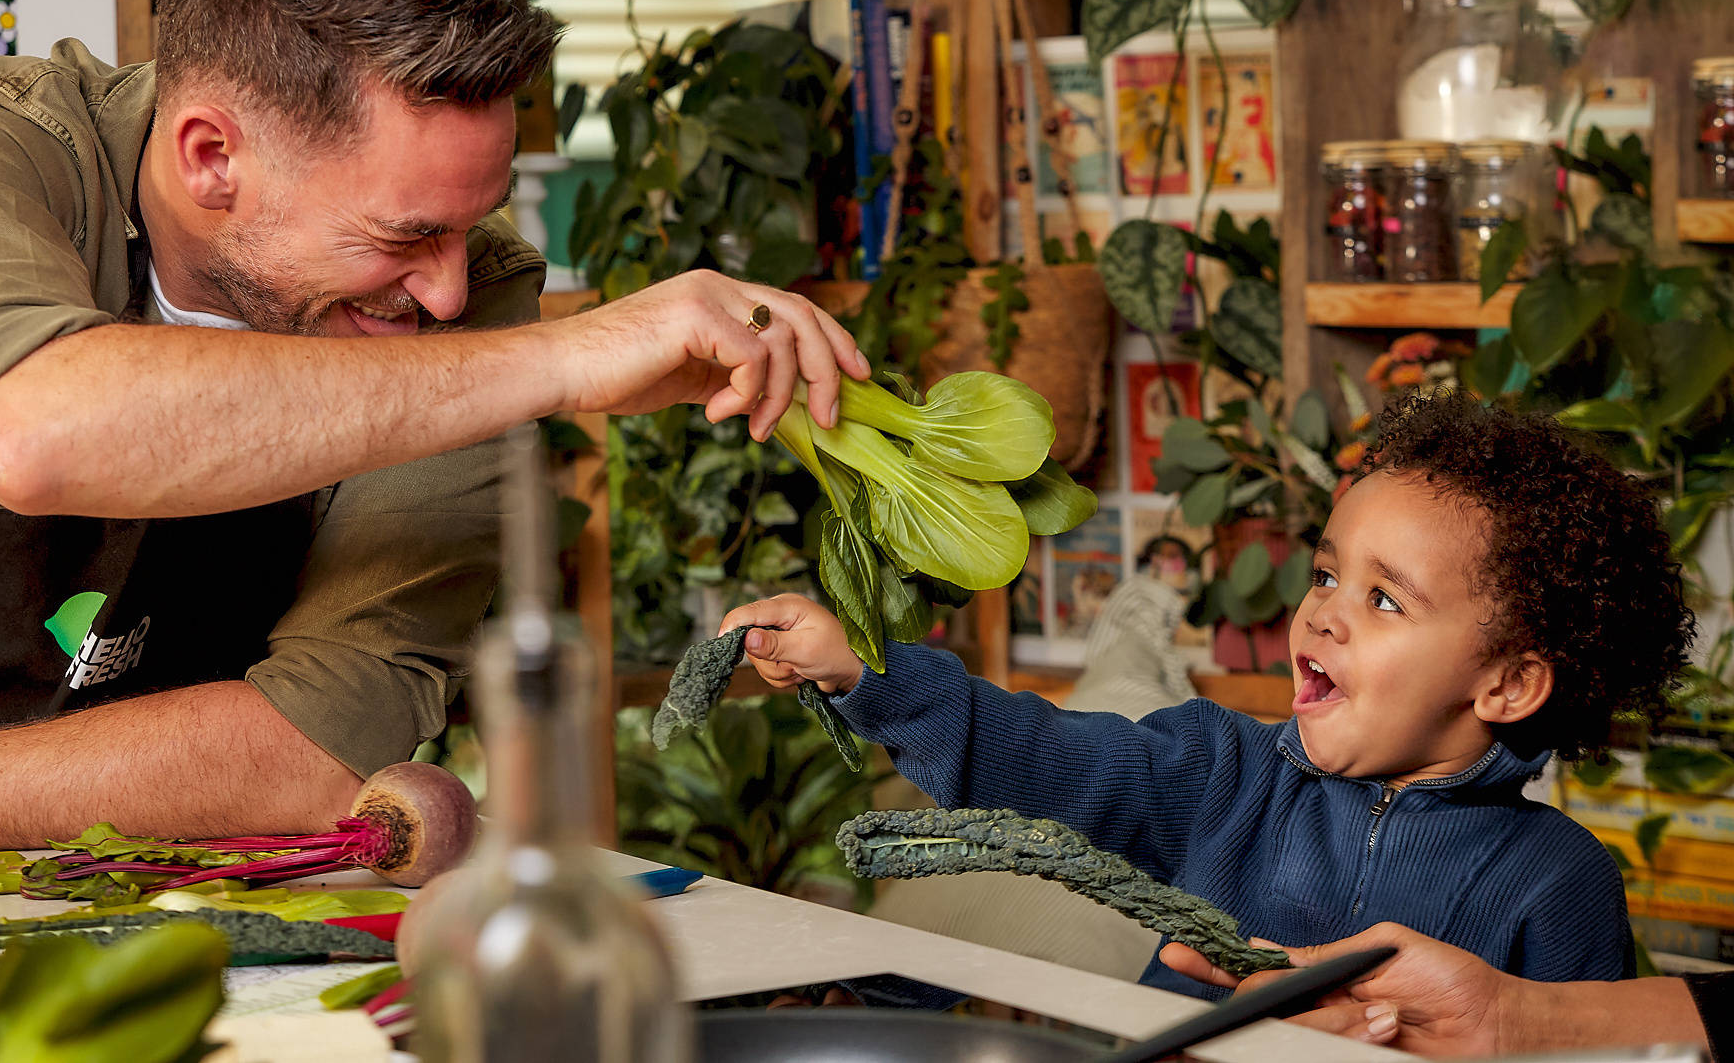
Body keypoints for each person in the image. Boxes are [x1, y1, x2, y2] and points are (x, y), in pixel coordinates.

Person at [0, 0, 866, 879]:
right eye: (405, 236)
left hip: (163, 870)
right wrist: (564, 357)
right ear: (211, 158)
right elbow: (35, 434)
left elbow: (321, 745)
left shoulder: (475, 301)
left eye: (470, 228)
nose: (449, 294)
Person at [723, 392, 1693, 999]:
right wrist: (865, 672)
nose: (1323, 612)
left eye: (1384, 598)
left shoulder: (1557, 883)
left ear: (1507, 683)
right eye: (1325, 574)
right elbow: (1045, 758)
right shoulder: (1223, 772)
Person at [1158, 923, 1730, 1057]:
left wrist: (1511, 1023)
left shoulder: (1564, 870)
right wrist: (1506, 1018)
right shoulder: (1221, 752)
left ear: (1507, 687)